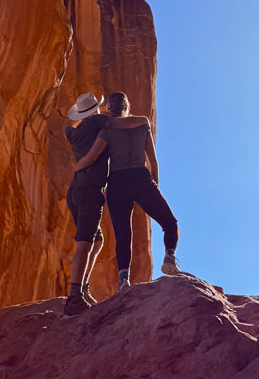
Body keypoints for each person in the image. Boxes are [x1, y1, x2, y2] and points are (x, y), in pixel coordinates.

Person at [78, 91, 179, 291]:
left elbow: (92, 156)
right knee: (169, 222)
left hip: (117, 181)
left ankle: (124, 280)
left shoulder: (106, 130)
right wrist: (154, 185)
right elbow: (153, 159)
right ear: (127, 106)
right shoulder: (143, 125)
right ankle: (169, 257)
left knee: (123, 234)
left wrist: (78, 166)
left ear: (109, 109)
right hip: (141, 178)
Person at [62, 92, 109, 316]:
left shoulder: (74, 133)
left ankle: (83, 287)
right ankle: (75, 296)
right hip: (90, 191)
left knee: (97, 240)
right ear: (97, 109)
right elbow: (120, 120)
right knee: (85, 242)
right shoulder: (99, 122)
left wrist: (77, 116)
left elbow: (66, 126)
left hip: (75, 191)